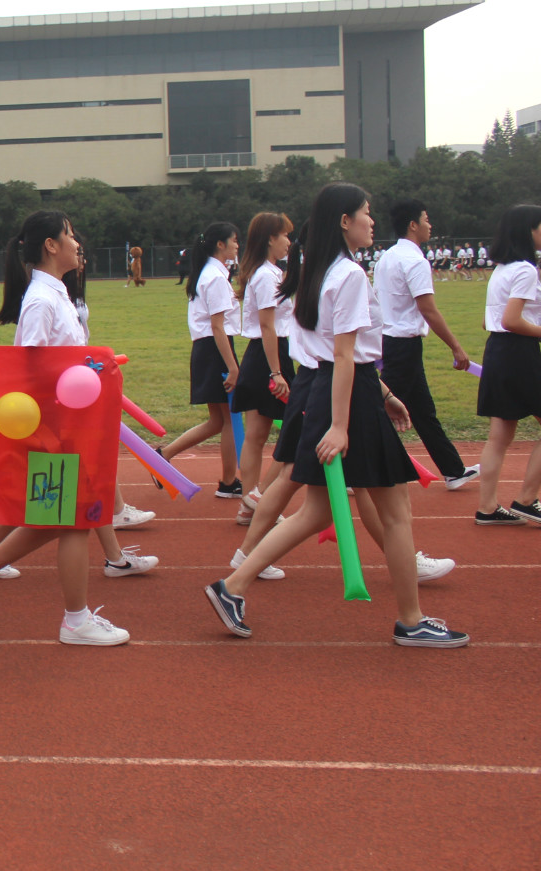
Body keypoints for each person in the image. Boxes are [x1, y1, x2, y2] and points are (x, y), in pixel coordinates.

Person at [205, 183, 469, 648]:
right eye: (365, 212)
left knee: (316, 511)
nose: (372, 221)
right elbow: (344, 356)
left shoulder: (315, 270)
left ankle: (233, 585)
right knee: (396, 513)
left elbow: (333, 353)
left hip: (329, 388)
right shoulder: (346, 274)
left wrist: (383, 392)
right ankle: (411, 620)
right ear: (344, 221)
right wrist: (343, 425)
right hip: (344, 395)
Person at [0, 210, 130, 646]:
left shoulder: (56, 294)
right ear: (51, 245)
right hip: (54, 429)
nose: (77, 242)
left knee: (62, 519)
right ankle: (74, 620)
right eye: (70, 235)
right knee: (73, 520)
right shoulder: (41, 301)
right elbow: (25, 372)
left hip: (70, 426)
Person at [373, 199, 481, 491]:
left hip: (391, 341)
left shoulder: (386, 258)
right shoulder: (415, 261)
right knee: (376, 409)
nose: (430, 225)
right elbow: (428, 309)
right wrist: (456, 347)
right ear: (413, 225)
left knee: (422, 411)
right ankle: (351, 469)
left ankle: (453, 471)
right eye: (426, 219)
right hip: (403, 345)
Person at [472, 204, 541, 527]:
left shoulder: (502, 268)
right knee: (501, 434)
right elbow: (511, 320)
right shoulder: (526, 270)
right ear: (529, 231)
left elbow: (492, 321)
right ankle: (527, 500)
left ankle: (487, 508)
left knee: (499, 434)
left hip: (498, 351)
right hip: (518, 352)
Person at [162, 222, 242, 497]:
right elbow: (218, 327)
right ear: (220, 244)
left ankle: (164, 454)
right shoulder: (215, 277)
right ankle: (229, 482)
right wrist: (232, 367)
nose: (237, 245)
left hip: (207, 348)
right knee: (229, 419)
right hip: (215, 349)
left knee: (218, 421)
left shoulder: (208, 273)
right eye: (234, 240)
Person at [228, 213, 297, 520]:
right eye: (285, 236)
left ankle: (248, 505)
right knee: (294, 431)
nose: (288, 242)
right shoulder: (267, 276)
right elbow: (268, 326)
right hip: (269, 356)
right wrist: (277, 372)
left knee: (256, 436)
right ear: (271, 238)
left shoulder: (268, 272)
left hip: (263, 355)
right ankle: (258, 498)